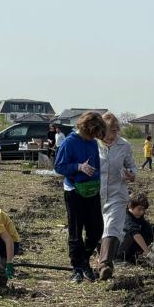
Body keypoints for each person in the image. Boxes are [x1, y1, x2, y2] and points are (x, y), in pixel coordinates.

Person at [54, 111, 107, 283]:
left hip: (92, 190)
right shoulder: (69, 143)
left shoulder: (92, 143)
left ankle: (84, 261)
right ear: (86, 128)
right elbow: (59, 167)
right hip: (74, 191)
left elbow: (96, 165)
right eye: (92, 133)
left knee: (97, 228)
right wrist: (78, 167)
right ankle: (76, 268)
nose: (94, 137)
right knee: (76, 230)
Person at [96, 112, 136, 280]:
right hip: (95, 193)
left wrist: (131, 174)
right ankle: (99, 260)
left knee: (112, 226)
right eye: (109, 131)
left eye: (115, 131)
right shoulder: (92, 144)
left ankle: (106, 263)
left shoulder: (124, 145)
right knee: (98, 228)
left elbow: (132, 167)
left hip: (117, 193)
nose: (112, 135)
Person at [117, 193, 154, 264]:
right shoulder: (126, 217)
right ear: (130, 206)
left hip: (131, 251)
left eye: (143, 210)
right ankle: (118, 259)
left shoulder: (139, 218)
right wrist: (148, 253)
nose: (142, 212)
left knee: (148, 230)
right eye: (139, 209)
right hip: (118, 249)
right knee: (130, 233)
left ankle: (133, 257)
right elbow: (136, 234)